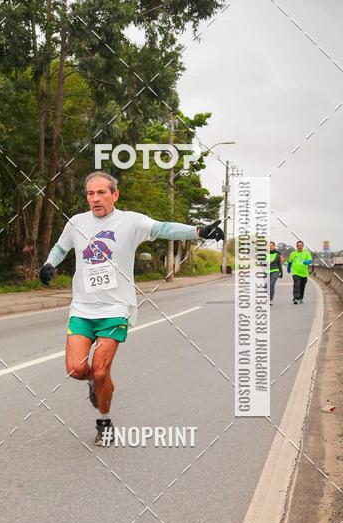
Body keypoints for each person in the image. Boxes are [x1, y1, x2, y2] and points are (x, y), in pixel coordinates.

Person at [39, 172, 224, 446]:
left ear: (115, 195)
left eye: (102, 192)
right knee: (77, 369)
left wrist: (197, 231)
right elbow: (60, 247)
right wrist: (49, 264)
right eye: (91, 194)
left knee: (101, 370)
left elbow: (163, 228)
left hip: (116, 307)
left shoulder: (131, 221)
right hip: (82, 308)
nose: (95, 198)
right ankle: (94, 383)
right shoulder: (76, 223)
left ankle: (104, 422)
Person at [287, 240, 313, 304]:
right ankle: (296, 298)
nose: (299, 246)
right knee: (296, 284)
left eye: (301, 245)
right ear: (296, 246)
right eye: (298, 245)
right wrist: (288, 268)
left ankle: (301, 297)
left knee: (302, 286)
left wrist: (307, 262)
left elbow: (310, 260)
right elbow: (290, 262)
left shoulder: (306, 253)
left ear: (303, 246)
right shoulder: (293, 253)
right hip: (295, 272)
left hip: (304, 273)